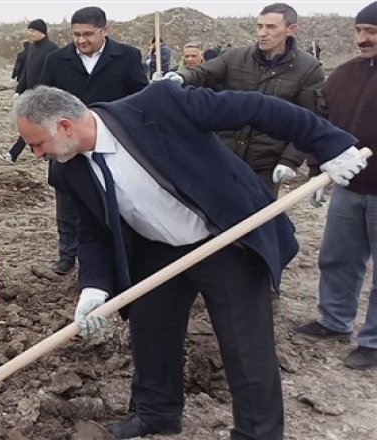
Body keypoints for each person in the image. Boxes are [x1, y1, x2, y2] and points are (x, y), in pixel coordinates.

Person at [11, 83, 365, 439]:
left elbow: (257, 108)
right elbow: (93, 231)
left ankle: (258, 432)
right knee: (150, 334)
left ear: (65, 126)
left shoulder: (160, 106)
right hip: (155, 250)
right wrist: (93, 287)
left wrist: (329, 144)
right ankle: (156, 414)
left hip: (225, 239)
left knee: (245, 345)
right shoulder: (67, 169)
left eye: (38, 144)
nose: (38, 155)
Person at [166, 2, 324, 198]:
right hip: (222, 157)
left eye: (271, 27)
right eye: (260, 26)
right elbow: (205, 73)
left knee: (258, 221)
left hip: (264, 166)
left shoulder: (307, 68)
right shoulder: (236, 57)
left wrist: (290, 160)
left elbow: (309, 119)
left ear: (291, 29)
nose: (263, 33)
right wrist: (182, 77)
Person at [295, 1, 377, 370]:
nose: (362, 39)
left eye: (371, 32)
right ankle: (334, 321)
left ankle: (373, 342)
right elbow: (323, 122)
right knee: (338, 257)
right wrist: (318, 169)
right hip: (347, 186)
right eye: (359, 31)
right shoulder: (344, 74)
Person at [40, 6, 148, 276]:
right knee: (67, 201)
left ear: (105, 31)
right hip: (66, 145)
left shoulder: (127, 57)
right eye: (76, 34)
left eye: (88, 34)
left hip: (113, 143)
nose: (81, 40)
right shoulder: (56, 60)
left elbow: (140, 98)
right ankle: (67, 254)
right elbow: (43, 101)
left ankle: (121, 255)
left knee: (115, 199)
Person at [0, 19, 57, 163]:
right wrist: (19, 90)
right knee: (37, 125)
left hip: (45, 95)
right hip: (30, 93)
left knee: (32, 124)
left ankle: (13, 154)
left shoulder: (52, 49)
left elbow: (55, 73)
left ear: (42, 31)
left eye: (33, 30)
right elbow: (26, 71)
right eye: (29, 30)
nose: (30, 33)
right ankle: (46, 152)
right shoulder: (32, 48)